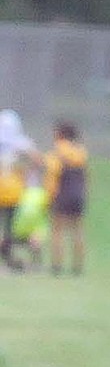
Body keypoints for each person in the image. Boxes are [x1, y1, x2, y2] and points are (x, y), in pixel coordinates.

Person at [44, 121, 89, 275]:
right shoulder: (81, 152)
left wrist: (49, 197)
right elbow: (86, 175)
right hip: (78, 194)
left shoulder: (56, 152)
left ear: (61, 134)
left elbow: (52, 176)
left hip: (61, 194)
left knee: (57, 231)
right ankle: (78, 266)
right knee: (77, 230)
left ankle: (57, 266)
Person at [0, 109, 37, 270]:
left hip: (7, 191)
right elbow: (37, 160)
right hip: (14, 192)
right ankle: (10, 259)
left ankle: (8, 258)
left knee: (8, 229)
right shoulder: (21, 143)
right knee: (11, 228)